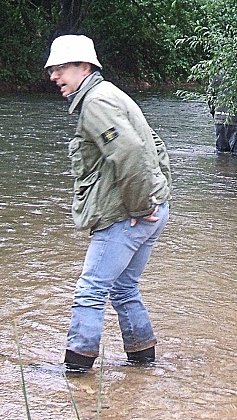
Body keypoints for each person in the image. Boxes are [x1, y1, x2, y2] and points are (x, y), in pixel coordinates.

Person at [45, 34, 172, 373]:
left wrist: (141, 207)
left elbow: (129, 152)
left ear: (84, 66)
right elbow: (154, 145)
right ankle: (143, 362)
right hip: (151, 209)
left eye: (60, 69)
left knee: (90, 289)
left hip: (128, 216)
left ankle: (76, 368)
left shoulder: (96, 103)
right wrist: (158, 199)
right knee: (124, 287)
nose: (54, 77)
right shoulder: (111, 94)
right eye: (52, 70)